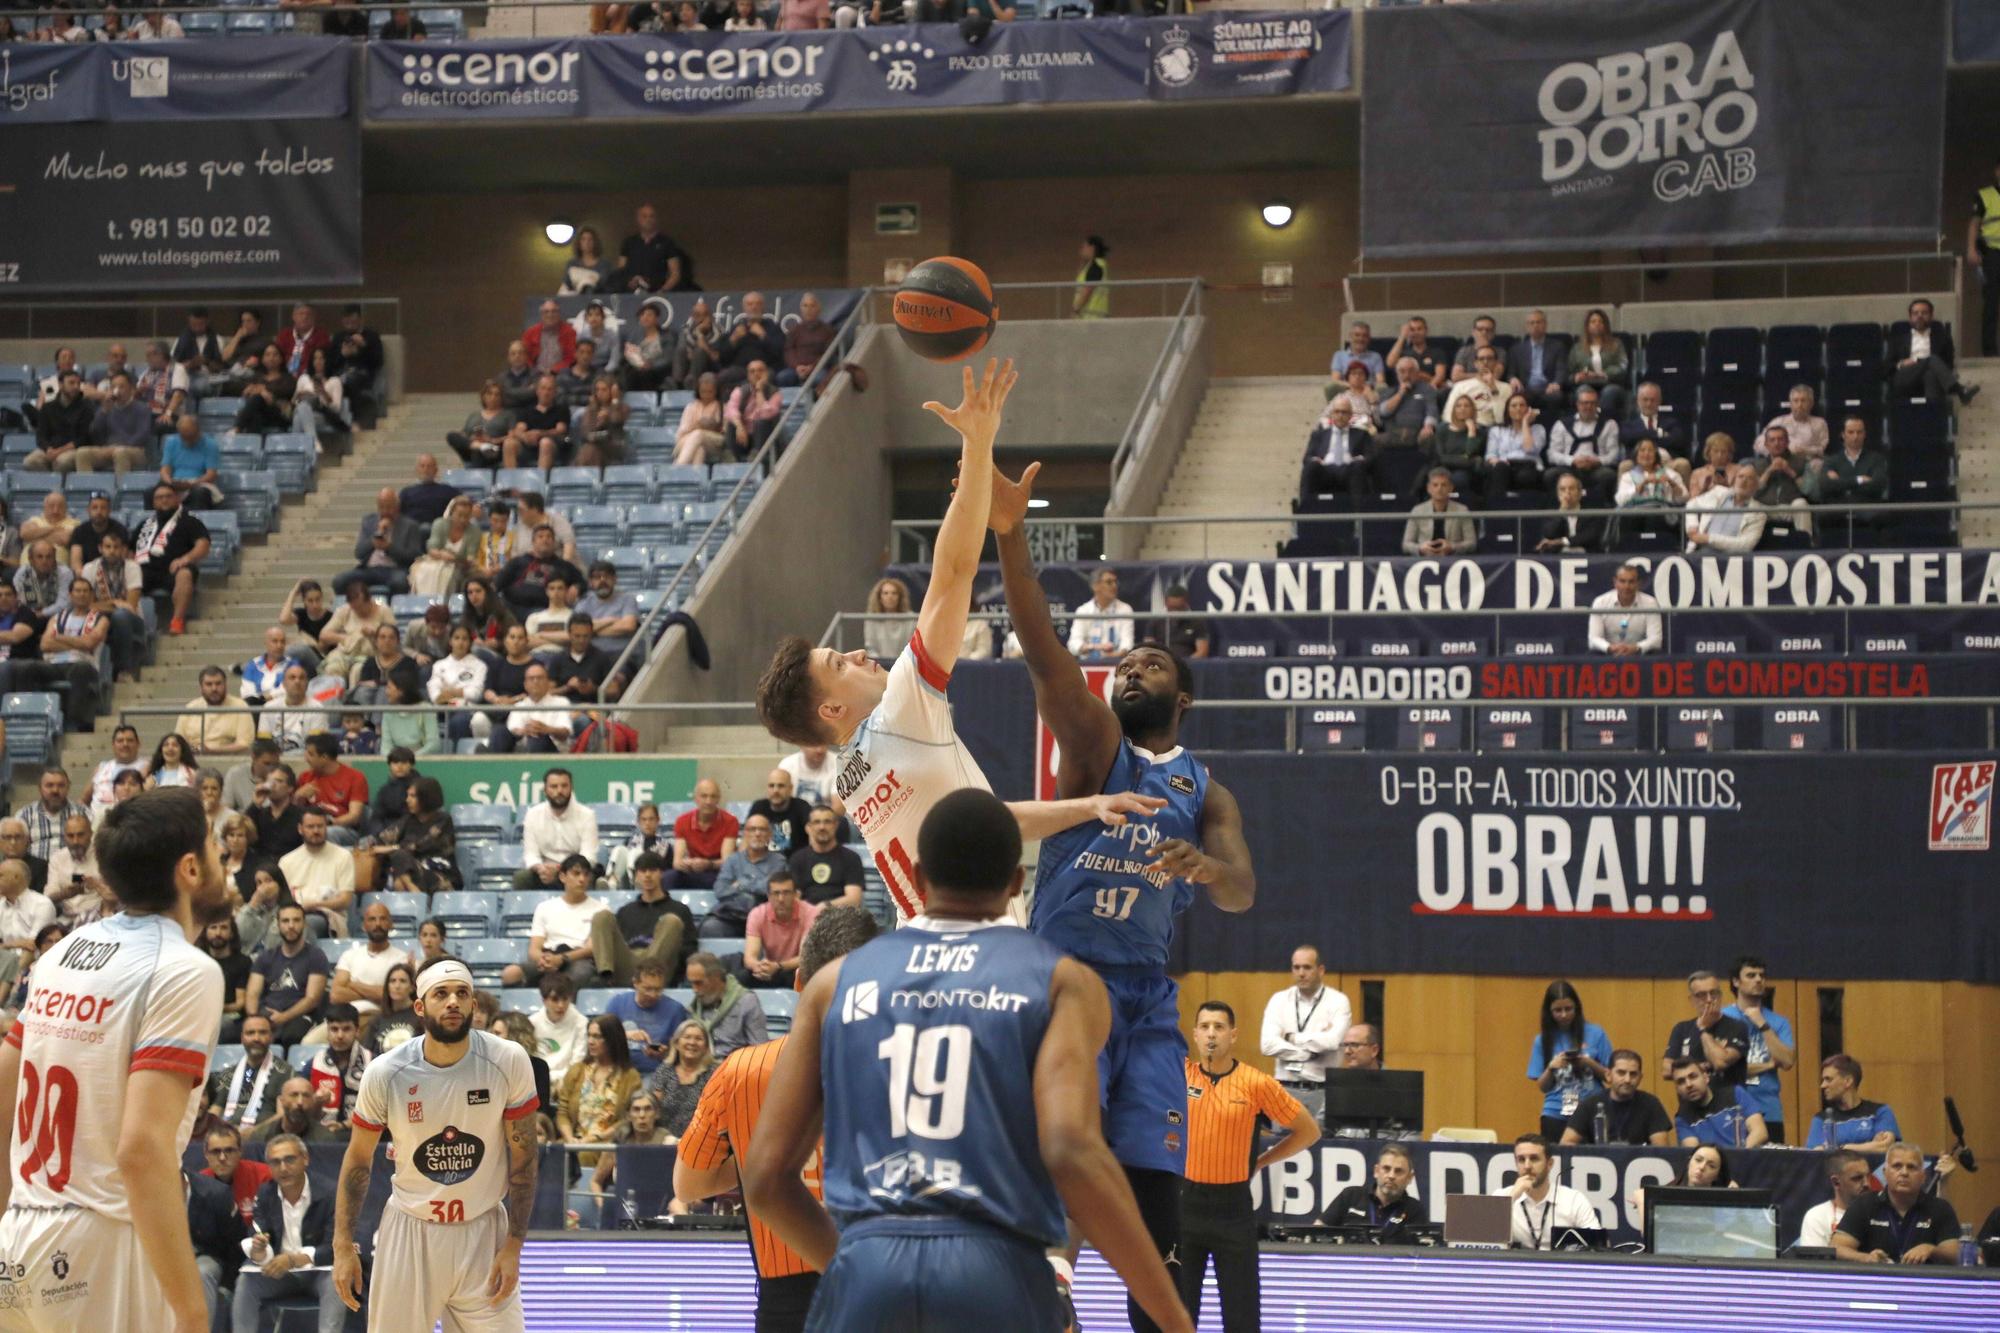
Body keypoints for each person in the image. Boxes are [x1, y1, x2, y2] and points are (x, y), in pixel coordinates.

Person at [743, 790, 1193, 1333]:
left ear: (917, 874)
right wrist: (1173, 1320)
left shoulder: (831, 984)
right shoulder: (1062, 982)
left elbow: (766, 1181)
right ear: (1015, 884)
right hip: (996, 1273)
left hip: (868, 1269)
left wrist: (848, 1269)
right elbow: (1071, 1150)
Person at [989, 449, 1257, 1329]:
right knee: (1061, 1157)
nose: (1133, 669)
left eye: (1153, 664)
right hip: (1063, 977)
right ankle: (1047, 1302)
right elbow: (1043, 650)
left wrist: (1208, 868)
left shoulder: (1205, 788)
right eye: (1128, 662)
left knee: (1154, 1191)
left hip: (1144, 996)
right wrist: (1011, 539)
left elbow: (1241, 891)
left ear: (1183, 697)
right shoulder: (1098, 743)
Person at [755, 360, 1160, 930]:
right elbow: (950, 572)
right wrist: (978, 441)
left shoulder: (855, 774)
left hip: (920, 945)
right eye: (837, 664)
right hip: (975, 944)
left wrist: (1087, 808)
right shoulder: (899, 710)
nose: (857, 655)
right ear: (830, 709)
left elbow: (990, 821)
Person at [0, 787, 229, 1333]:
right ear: (191, 867)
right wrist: (191, 1309)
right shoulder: (185, 969)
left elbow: (3, 1087)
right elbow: (142, 1148)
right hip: (103, 1243)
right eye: (216, 845)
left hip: (22, 1230)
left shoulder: (64, 951)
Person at [671, 908, 878, 1330]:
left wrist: (757, 1157)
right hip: (889, 1285)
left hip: (786, 1302)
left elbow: (688, 1185)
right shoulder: (916, 1061)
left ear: (799, 981)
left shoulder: (739, 1070)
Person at [332, 957, 542, 1329]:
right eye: (441, 994)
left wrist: (514, 1246)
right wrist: (342, 1246)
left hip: (483, 1229)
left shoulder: (508, 1060)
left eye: (462, 993)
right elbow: (358, 1161)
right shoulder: (385, 1072)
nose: (453, 1002)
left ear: (474, 1004)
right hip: (411, 1230)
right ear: (419, 1006)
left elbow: (524, 1158)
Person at [1179, 1000, 1318, 1331]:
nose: (1212, 1034)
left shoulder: (1256, 1083)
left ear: (1233, 1035)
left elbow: (1309, 1131)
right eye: (1205, 1027)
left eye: (1220, 1027)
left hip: (1234, 1210)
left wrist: (1262, 1161)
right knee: (1179, 1316)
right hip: (1185, 1206)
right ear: (1195, 1035)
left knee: (1242, 1317)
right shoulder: (1178, 1075)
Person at [231, 1132, 346, 1333]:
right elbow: (258, 1232)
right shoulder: (265, 1194)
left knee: (337, 1276)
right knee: (246, 1281)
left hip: (319, 1273)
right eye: (275, 1162)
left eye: (289, 1159)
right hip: (280, 1274)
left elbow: (335, 1248)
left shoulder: (330, 1193)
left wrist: (294, 1260)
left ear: (305, 1159)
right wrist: (259, 1251)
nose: (283, 1168)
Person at [1259, 944, 1350, 1125]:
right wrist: (1307, 1052)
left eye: (1307, 967)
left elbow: (1331, 1042)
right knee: (1283, 1148)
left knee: (1320, 1144)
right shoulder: (1279, 1000)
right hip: (1285, 1088)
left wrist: (1290, 1037)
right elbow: (1267, 1045)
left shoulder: (1338, 1001)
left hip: (1322, 1090)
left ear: (1321, 970)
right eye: (1296, 967)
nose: (1301, 973)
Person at [1833, 1142, 1967, 1264]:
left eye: (1911, 1167)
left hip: (1924, 1284)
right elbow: (1836, 1247)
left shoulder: (1940, 1208)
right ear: (1885, 1173)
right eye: (1897, 1166)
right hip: (1877, 1283)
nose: (1904, 1172)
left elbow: (1957, 1254)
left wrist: (1931, 1249)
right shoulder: (1864, 1204)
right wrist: (1866, 1258)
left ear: (1923, 1176)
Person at [501, 853, 609, 988]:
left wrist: (562, 959)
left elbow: (592, 949)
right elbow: (534, 949)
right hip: (549, 955)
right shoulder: (545, 907)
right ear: (562, 877)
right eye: (576, 874)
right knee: (510, 974)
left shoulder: (601, 910)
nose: (582, 879)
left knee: (567, 980)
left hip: (579, 959)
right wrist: (544, 960)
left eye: (586, 875)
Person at [1720, 954, 1796, 1145]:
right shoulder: (1722, 1019)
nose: (1758, 980)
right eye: (1751, 975)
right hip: (1731, 1108)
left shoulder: (1778, 1022)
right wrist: (1769, 1063)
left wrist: (1762, 1024)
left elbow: (1787, 1061)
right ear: (1736, 982)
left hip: (1769, 1108)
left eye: (1761, 975)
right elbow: (1723, 1066)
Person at [591, 851, 694, 987]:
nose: (647, 875)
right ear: (636, 875)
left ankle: (648, 977)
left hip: (660, 968)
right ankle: (605, 976)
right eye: (643, 870)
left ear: (661, 873)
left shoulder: (680, 909)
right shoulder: (625, 911)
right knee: (602, 916)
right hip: (628, 962)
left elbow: (689, 948)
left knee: (671, 920)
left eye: (652, 870)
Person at [1526, 979, 1612, 1141]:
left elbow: (1610, 1076)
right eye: (1557, 1010)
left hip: (1591, 1111)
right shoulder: (1542, 1040)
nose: (1564, 1015)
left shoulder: (1596, 1033)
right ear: (1549, 1011)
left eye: (1568, 1009)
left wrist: (1588, 1063)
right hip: (1555, 1113)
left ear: (1576, 1008)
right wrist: (1551, 1068)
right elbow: (1542, 1086)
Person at [557, 1015, 642, 1168]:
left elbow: (628, 1119)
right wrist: (570, 1139)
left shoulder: (630, 1077)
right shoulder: (577, 1070)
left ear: (612, 1039)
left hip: (605, 1143)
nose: (590, 1041)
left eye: (597, 1037)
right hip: (573, 1140)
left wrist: (593, 1139)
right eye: (589, 1035)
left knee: (585, 1155)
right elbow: (562, 1112)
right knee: (551, 1153)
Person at [1497, 1134, 1596, 1251]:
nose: (1527, 1166)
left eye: (1534, 1159)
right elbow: (1483, 1241)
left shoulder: (1574, 1200)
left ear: (1549, 1164)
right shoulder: (1503, 1197)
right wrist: (1511, 1199)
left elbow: (1597, 1246)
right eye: (1521, 1160)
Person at [1560, 1049, 1675, 1147]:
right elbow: (1566, 1144)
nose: (1627, 1080)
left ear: (1640, 1077)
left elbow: (1662, 1149)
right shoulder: (1590, 1105)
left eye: (1633, 1074)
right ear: (1608, 1075)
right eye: (1621, 1073)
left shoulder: (1651, 1104)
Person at [1317, 1143, 1429, 1241]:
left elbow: (1422, 1252)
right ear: (1376, 1171)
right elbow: (1316, 1232)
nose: (1391, 1176)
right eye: (1386, 1168)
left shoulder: (1415, 1210)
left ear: (1410, 1177)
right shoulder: (1351, 1196)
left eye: (1398, 1171)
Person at [209, 1010, 296, 1134]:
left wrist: (253, 1132)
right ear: (242, 1038)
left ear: (271, 1037)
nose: (256, 1038)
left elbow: (282, 1116)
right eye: (250, 1033)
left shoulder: (285, 1073)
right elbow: (215, 1110)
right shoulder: (229, 1074)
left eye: (262, 1032)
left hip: (265, 1140)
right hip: (227, 1137)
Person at [515, 768, 599, 891]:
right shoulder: (533, 815)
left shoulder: (587, 815)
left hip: (575, 871)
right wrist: (540, 868)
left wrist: (561, 870)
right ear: (545, 790)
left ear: (571, 788)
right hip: (544, 872)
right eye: (554, 786)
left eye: (564, 786)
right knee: (522, 877)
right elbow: (530, 854)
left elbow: (588, 856)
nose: (559, 791)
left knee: (587, 876)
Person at [1663, 969, 1750, 1086]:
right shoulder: (1681, 1029)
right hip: (1691, 1101)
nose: (1709, 1000)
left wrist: (1703, 1029)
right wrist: (1700, 1067)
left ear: (1720, 995)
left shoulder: (1737, 1027)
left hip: (1728, 1101)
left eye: (1713, 993)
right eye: (1701, 995)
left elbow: (1719, 1063)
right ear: (1692, 1000)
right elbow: (1667, 1070)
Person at [330, 900, 413, 1024]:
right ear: (364, 925)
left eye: (383, 919)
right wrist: (377, 994)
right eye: (372, 919)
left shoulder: (401, 959)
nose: (377, 924)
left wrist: (354, 985)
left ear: (391, 924)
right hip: (343, 1019)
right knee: (308, 1042)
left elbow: (394, 996)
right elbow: (336, 995)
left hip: (379, 1019)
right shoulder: (350, 955)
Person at [604, 960, 689, 1079]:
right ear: (635, 983)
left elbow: (682, 1054)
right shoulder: (617, 1003)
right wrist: (625, 1034)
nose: (653, 995)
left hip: (655, 1073)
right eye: (648, 989)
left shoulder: (675, 1010)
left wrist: (663, 1054)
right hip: (619, 1071)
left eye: (658, 990)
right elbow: (602, 1037)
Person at [1885, 298, 1977, 404]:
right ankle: (1959, 389)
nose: (1919, 316)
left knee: (1931, 375)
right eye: (1915, 313)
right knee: (1932, 359)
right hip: (1904, 377)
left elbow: (1948, 364)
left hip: (1932, 375)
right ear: (1910, 318)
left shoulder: (1943, 338)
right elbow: (1886, 366)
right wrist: (1901, 363)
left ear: (1931, 316)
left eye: (1924, 313)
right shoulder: (1898, 339)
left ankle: (1933, 415)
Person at [278, 811, 355, 938]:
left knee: (305, 924)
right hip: (293, 913)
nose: (316, 831)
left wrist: (314, 905)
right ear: (300, 829)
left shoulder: (343, 856)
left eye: (320, 826)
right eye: (310, 827)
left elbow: (345, 900)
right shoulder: (286, 861)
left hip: (328, 915)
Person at [1804, 1053, 1901, 1152]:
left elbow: (1884, 1147)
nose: (1823, 1085)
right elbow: (1814, 1154)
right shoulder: (1821, 1119)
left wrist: (1839, 1148)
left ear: (1848, 1081)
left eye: (1828, 1079)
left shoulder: (1880, 1112)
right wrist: (1869, 1146)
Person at [1546, 385, 1622, 503]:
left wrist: (1597, 461)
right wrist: (1572, 460)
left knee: (1608, 476)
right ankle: (1556, 513)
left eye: (1592, 403)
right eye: (1584, 403)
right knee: (1551, 475)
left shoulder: (1609, 424)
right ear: (1577, 404)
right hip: (1569, 467)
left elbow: (1614, 454)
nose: (1588, 407)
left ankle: (1602, 512)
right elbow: (1552, 454)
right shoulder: (1562, 424)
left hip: (1598, 468)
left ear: (1597, 405)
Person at [683, 950, 766, 1057]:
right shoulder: (694, 1008)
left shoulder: (746, 1002)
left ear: (716, 977)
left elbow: (761, 1051)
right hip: (699, 1066)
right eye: (692, 983)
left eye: (699, 983)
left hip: (734, 1067)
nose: (694, 989)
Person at [1671, 1057, 1768, 1148]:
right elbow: (1694, 1151)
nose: (1688, 1084)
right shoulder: (1682, 1118)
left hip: (1745, 1158)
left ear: (1706, 1078)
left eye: (1693, 1077)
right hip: (1712, 1164)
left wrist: (1738, 1156)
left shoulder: (1736, 1094)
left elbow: (1760, 1132)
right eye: (1681, 1082)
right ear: (1677, 1089)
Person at [744, 873, 816, 990]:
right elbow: (750, 957)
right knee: (743, 976)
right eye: (776, 893)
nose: (781, 899)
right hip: (769, 968)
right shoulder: (757, 914)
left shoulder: (811, 913)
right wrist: (759, 967)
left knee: (805, 975)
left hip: (795, 969)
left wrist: (778, 966)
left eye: (786, 893)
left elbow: (805, 957)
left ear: (795, 894)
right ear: (768, 896)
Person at [295, 734, 369, 847]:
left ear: (324, 757)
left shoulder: (355, 777)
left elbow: (354, 816)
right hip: (310, 825)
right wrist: (298, 796)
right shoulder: (305, 777)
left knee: (325, 833)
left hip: (344, 829)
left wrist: (325, 824)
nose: (306, 758)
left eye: (311, 754)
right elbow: (296, 812)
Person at [303, 1003, 370, 1129]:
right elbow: (302, 1108)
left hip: (362, 1131)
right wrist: (316, 1103)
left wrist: (344, 1125)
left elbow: (383, 1109)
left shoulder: (373, 1062)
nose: (340, 1035)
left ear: (357, 1031)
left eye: (346, 1029)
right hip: (323, 1132)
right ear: (327, 1033)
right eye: (334, 1029)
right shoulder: (313, 1065)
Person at [647, 1019, 718, 1138]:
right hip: (665, 1142)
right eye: (687, 1037)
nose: (692, 1042)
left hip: (702, 1141)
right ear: (676, 1043)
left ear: (706, 1046)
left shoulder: (715, 1073)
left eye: (698, 1039)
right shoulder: (664, 1070)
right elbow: (653, 1108)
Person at [785, 804, 863, 910]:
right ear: (808, 828)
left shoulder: (851, 858)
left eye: (827, 822)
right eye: (817, 822)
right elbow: (794, 898)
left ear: (836, 825)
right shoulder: (797, 859)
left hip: (842, 918)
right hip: (806, 918)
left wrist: (825, 906)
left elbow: (854, 899)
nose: (822, 827)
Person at [200, 1121, 273, 1233]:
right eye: (215, 1152)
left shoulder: (265, 1175)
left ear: (240, 1151)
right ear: (206, 1154)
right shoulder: (198, 1184)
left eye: (229, 1150)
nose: (222, 1158)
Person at [1297, 398, 1372, 506]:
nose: (1340, 415)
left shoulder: (1361, 434)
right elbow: (1307, 458)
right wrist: (1314, 460)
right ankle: (1305, 511)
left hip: (1350, 469)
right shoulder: (1319, 435)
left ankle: (1358, 516)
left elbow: (1371, 456)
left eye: (1344, 412)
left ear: (1350, 415)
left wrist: (1361, 459)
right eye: (1337, 412)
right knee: (1311, 467)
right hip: (1325, 469)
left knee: (1358, 467)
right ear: (1332, 414)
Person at [1797, 1149, 1873, 1250]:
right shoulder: (1817, 1216)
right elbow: (1815, 1264)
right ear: (1836, 1182)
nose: (1866, 1184)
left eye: (1868, 1176)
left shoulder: (1881, 1212)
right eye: (1857, 1178)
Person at [177, 664, 257, 757]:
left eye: (218, 683)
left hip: (228, 761)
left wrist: (211, 750)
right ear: (201, 687)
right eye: (209, 684)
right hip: (194, 760)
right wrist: (196, 750)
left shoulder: (240, 706)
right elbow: (178, 741)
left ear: (225, 685)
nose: (214, 688)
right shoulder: (190, 708)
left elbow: (244, 744)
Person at [1588, 563, 1663, 656]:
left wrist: (1636, 648)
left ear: (1638, 583)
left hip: (1639, 655)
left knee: (1655, 653)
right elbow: (1593, 639)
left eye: (1631, 582)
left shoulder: (1650, 603)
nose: (1627, 586)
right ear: (1615, 582)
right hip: (1608, 655)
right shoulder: (1600, 602)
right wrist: (1610, 647)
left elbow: (1656, 639)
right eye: (1622, 581)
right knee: (1593, 654)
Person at [1067, 567, 1136, 663]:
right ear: (1095, 586)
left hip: (1117, 663)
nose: (1114, 586)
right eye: (1109, 582)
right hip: (1087, 664)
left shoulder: (1125, 609)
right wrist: (1095, 647)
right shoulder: (1083, 611)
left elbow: (1127, 643)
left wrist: (1114, 656)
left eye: (1115, 582)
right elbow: (1073, 645)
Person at [1402, 469, 1476, 557]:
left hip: (1453, 560)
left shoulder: (1462, 510)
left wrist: (1452, 547)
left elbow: (1472, 543)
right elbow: (1406, 544)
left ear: (1451, 488)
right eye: (1435, 485)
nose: (1439, 489)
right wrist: (1420, 548)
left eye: (1443, 485)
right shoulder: (1417, 510)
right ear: (1428, 488)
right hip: (1424, 560)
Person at [529, 971, 589, 1078]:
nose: (561, 1005)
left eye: (565, 999)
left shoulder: (581, 1023)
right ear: (544, 1000)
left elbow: (577, 1063)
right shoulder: (532, 1022)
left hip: (568, 1081)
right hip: (538, 1080)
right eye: (555, 999)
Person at [1536, 473, 1608, 553]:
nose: (1567, 493)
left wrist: (1562, 541)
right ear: (1558, 494)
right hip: (1558, 557)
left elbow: (1589, 536)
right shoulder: (1551, 514)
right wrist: (1562, 512)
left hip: (1588, 555)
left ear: (1580, 493)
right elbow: (1549, 534)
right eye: (1562, 489)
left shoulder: (1591, 512)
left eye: (1571, 488)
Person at [367, 962, 423, 1054]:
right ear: (387, 986)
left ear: (412, 987)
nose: (397, 986)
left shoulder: (421, 1015)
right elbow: (366, 1053)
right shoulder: (377, 1019)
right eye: (393, 981)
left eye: (403, 981)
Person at [864, 577, 917, 662]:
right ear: (879, 597)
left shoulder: (911, 618)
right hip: (879, 665)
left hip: (905, 664)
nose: (890, 597)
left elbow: (913, 646)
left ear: (900, 597)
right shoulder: (871, 618)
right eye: (885, 593)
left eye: (894, 593)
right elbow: (871, 648)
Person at [1073, 235, 1110, 319]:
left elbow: (1088, 289)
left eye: (1084, 247)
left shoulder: (1096, 266)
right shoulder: (1093, 265)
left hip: (1092, 316)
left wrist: (1076, 309)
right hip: (1092, 316)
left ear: (1092, 248)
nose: (1081, 250)